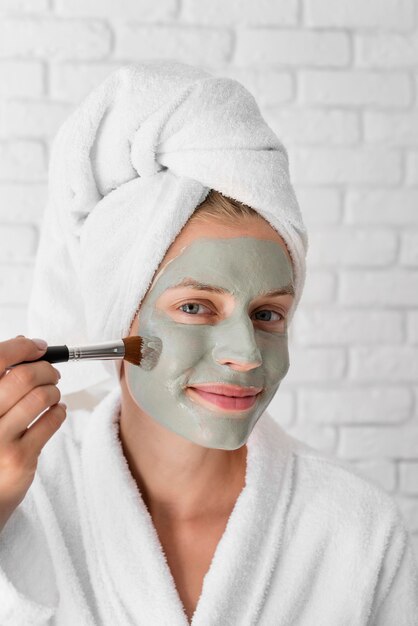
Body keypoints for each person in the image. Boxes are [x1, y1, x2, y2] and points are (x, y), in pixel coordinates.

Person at [1, 61, 417, 625]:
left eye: (269, 313)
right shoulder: (30, 501)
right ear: (117, 321)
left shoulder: (358, 531)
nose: (246, 354)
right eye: (196, 307)